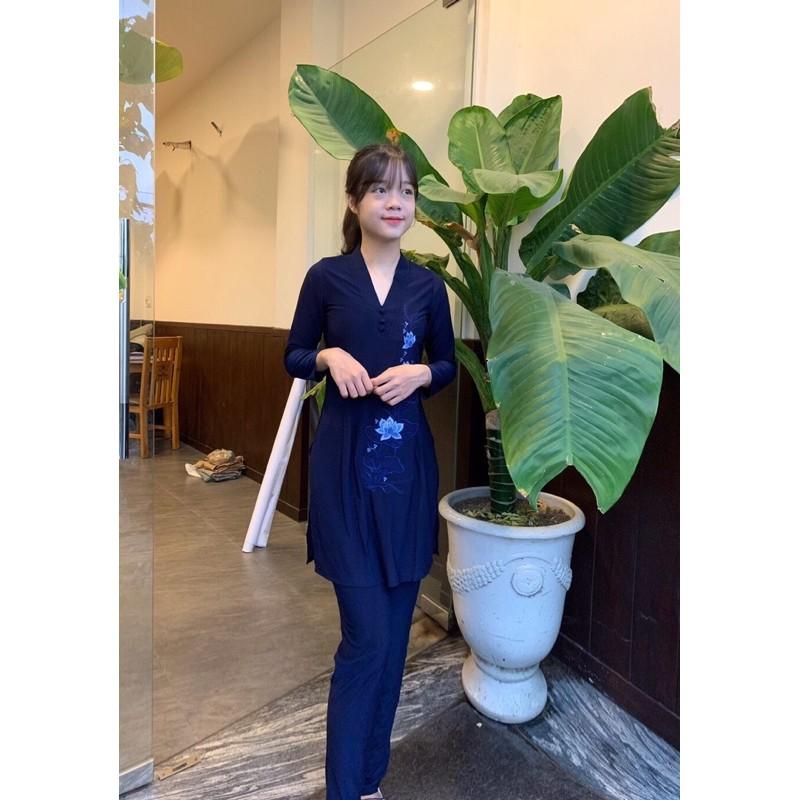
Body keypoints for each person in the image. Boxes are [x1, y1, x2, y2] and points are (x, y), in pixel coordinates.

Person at [283, 143, 457, 800]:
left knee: (392, 649)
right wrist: (327, 357)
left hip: (407, 478)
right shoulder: (326, 278)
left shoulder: (427, 287)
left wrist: (423, 373)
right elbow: (293, 353)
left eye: (406, 191)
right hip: (344, 479)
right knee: (365, 640)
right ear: (355, 201)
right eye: (381, 189)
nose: (395, 202)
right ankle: (344, 789)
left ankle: (370, 783)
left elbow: (446, 364)